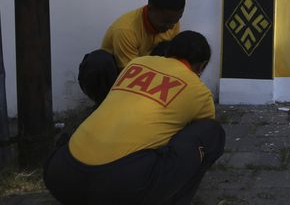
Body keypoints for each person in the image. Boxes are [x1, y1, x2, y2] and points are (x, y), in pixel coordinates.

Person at [44, 31, 225, 205]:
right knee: (212, 132)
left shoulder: (136, 64)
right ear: (201, 66)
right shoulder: (198, 90)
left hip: (61, 175)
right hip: (119, 187)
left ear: (169, 51)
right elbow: (199, 126)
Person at [78, 0, 185, 105]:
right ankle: (106, 107)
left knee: (171, 50)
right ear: (150, 9)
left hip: (146, 72)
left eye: (176, 20)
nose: (171, 26)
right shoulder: (126, 29)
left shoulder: (172, 22)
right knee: (99, 62)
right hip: (119, 75)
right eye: (166, 22)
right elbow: (130, 75)